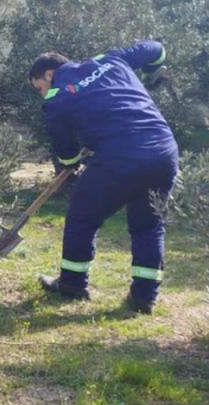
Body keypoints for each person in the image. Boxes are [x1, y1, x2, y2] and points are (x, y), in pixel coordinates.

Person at [29, 41, 177, 314]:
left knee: (82, 217)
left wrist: (74, 163)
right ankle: (144, 297)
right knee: (148, 226)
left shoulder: (57, 100)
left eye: (39, 88)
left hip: (120, 156)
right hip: (163, 150)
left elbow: (67, 155)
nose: (42, 94)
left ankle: (72, 285)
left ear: (49, 74)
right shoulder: (110, 59)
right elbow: (157, 49)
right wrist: (149, 77)